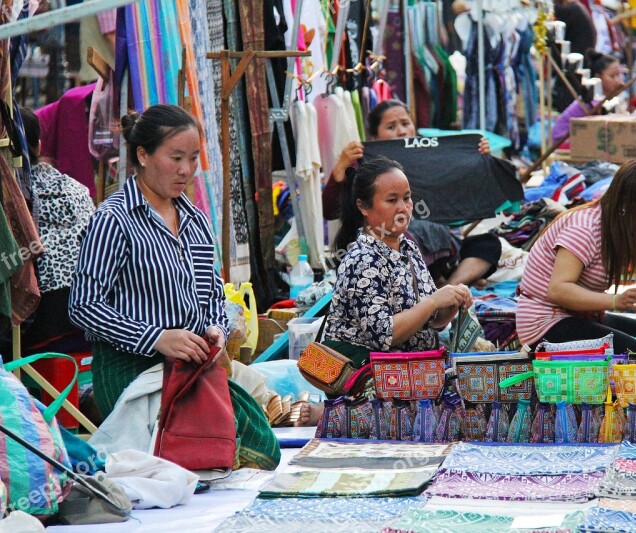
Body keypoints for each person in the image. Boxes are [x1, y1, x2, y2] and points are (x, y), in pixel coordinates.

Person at [69, 104, 280, 469]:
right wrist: (157, 338)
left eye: (194, 158)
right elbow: (84, 306)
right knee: (215, 444)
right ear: (143, 155)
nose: (186, 170)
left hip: (192, 364)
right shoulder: (113, 220)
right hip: (131, 368)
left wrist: (215, 327)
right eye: (176, 157)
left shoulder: (196, 221)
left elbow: (212, 294)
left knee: (262, 445)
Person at [516, 160, 636, 354]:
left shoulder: (634, 226)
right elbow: (559, 290)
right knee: (634, 352)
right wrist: (615, 301)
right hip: (545, 323)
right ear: (627, 204)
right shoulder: (585, 229)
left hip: (583, 316)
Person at [322, 99, 500, 288]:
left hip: (442, 248)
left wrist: (478, 160)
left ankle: (449, 287)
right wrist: (340, 168)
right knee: (405, 237)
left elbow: (470, 194)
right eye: (391, 127)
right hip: (393, 244)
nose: (401, 131)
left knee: (488, 243)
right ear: (373, 137)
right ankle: (450, 285)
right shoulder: (364, 169)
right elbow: (331, 211)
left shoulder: (436, 158)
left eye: (406, 123)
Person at [320, 157, 473, 367]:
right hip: (368, 378)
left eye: (407, 198)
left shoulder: (408, 247)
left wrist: (453, 302)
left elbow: (431, 321)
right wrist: (433, 301)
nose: (403, 208)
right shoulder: (363, 259)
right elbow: (385, 335)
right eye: (392, 200)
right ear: (364, 207)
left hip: (412, 371)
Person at [1, 107, 95, 355]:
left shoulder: (11, 196)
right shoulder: (78, 189)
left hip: (42, 324)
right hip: (89, 315)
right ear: (39, 146)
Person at [552, 49, 624, 142]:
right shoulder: (593, 98)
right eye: (612, 76)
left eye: (619, 75)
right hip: (563, 141)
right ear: (598, 77)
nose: (618, 80)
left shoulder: (605, 98)